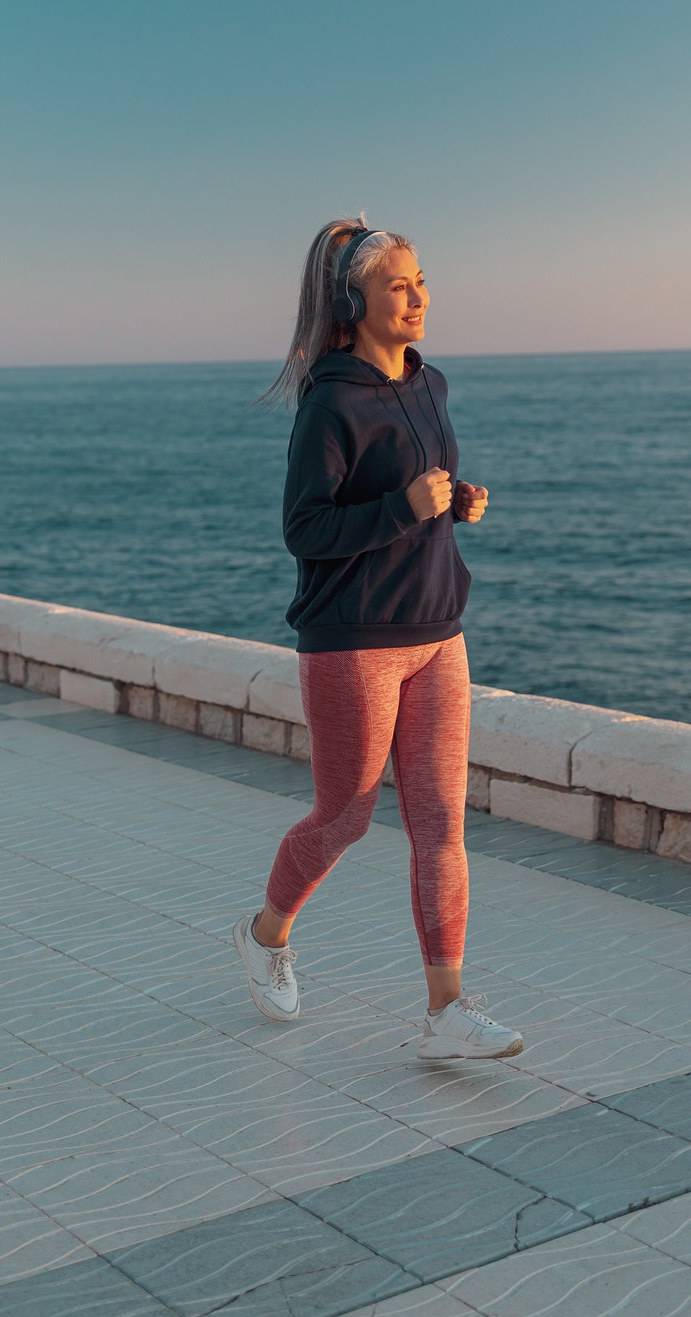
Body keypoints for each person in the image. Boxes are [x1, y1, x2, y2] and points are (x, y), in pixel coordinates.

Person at [232, 218, 523, 1060]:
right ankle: (263, 934)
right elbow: (304, 527)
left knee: (441, 825)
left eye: (422, 279)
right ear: (355, 303)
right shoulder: (330, 400)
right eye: (401, 284)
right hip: (353, 638)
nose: (420, 295)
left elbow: (413, 485)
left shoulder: (429, 385)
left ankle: (447, 1011)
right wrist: (406, 509)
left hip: (438, 628)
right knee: (346, 816)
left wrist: (454, 499)